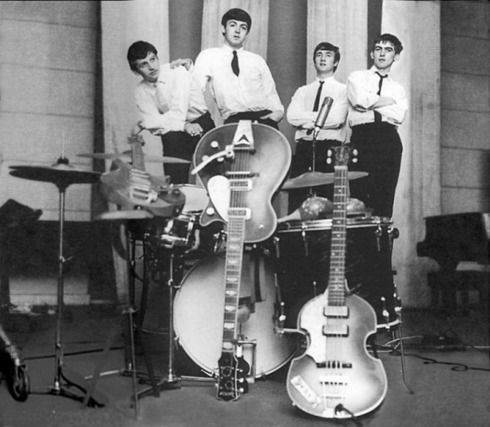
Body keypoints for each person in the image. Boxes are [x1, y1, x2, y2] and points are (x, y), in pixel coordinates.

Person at [127, 40, 215, 184]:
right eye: (144, 64)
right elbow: (153, 124)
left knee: (216, 179)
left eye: (153, 59)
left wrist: (145, 123)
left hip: (200, 124)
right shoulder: (140, 91)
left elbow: (178, 111)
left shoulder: (177, 72)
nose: (151, 67)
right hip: (174, 132)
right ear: (136, 71)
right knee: (175, 186)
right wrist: (182, 126)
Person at [346, 33, 408, 219]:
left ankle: (382, 247)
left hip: (388, 139)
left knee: (384, 198)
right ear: (372, 54)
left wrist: (370, 101)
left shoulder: (398, 88)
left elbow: (399, 115)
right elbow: (358, 100)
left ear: (395, 56)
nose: (382, 54)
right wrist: (386, 101)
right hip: (362, 136)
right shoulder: (357, 77)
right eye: (378, 49)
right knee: (359, 199)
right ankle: (359, 247)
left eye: (388, 50)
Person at [194, 8, 283, 129]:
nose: (237, 31)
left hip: (265, 119)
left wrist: (276, 114)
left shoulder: (257, 60)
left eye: (243, 27)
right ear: (223, 28)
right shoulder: (209, 56)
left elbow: (270, 93)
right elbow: (196, 89)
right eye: (232, 25)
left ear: (247, 33)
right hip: (234, 120)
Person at [286, 41, 349, 211]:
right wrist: (320, 117)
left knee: (327, 201)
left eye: (328, 55)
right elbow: (292, 117)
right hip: (304, 149)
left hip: (329, 149)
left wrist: (305, 119)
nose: (323, 58)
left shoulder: (343, 90)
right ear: (314, 60)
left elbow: (336, 119)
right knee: (298, 201)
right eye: (319, 55)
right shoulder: (303, 91)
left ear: (335, 62)